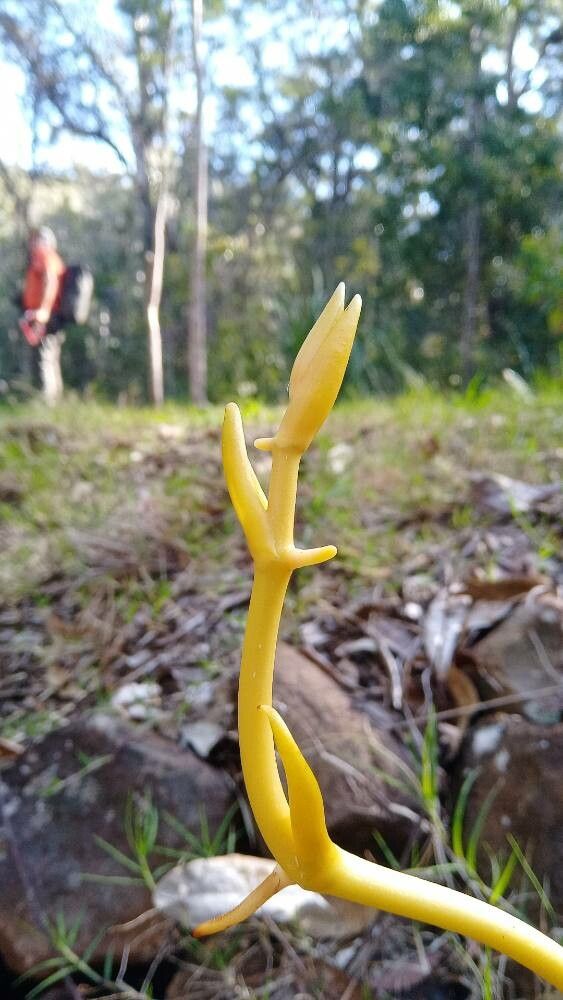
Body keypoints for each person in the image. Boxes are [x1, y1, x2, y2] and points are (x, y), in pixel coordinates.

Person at [20, 227, 67, 405]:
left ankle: (46, 404)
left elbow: (50, 281)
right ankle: (54, 403)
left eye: (36, 240)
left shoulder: (46, 256)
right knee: (50, 359)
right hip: (48, 316)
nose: (33, 244)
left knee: (43, 359)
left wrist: (42, 312)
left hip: (46, 317)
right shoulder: (49, 259)